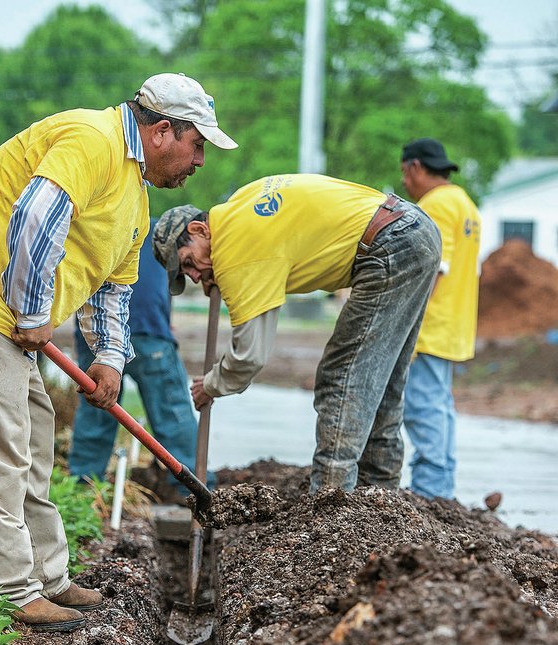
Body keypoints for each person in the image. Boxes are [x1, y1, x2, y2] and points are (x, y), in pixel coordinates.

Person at [0, 74, 236, 632]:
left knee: (33, 434)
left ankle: (46, 578)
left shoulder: (135, 201)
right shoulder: (91, 138)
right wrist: (31, 314)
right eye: (198, 145)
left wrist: (110, 360)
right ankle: (4, 587)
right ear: (164, 131)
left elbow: (113, 293)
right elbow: (35, 218)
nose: (199, 161)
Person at [152, 174, 442, 494]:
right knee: (379, 383)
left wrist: (211, 384)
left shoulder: (235, 250)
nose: (194, 276)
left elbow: (250, 356)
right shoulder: (239, 206)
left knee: (341, 378)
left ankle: (330, 506)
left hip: (389, 242)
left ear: (198, 229)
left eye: (189, 263)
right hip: (412, 228)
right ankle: (380, 499)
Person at [68, 219, 213, 499]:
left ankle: (84, 488)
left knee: (96, 410)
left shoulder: (95, 220)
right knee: (172, 413)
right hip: (148, 329)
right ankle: (196, 490)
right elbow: (165, 288)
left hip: (95, 330)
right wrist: (164, 323)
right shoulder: (160, 233)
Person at [400, 138, 481, 499]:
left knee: (423, 408)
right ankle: (442, 490)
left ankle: (430, 494)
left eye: (404, 173)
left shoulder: (434, 206)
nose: (404, 182)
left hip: (429, 327)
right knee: (441, 408)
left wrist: (404, 320)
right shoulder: (465, 204)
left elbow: (432, 269)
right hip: (455, 326)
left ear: (416, 167)